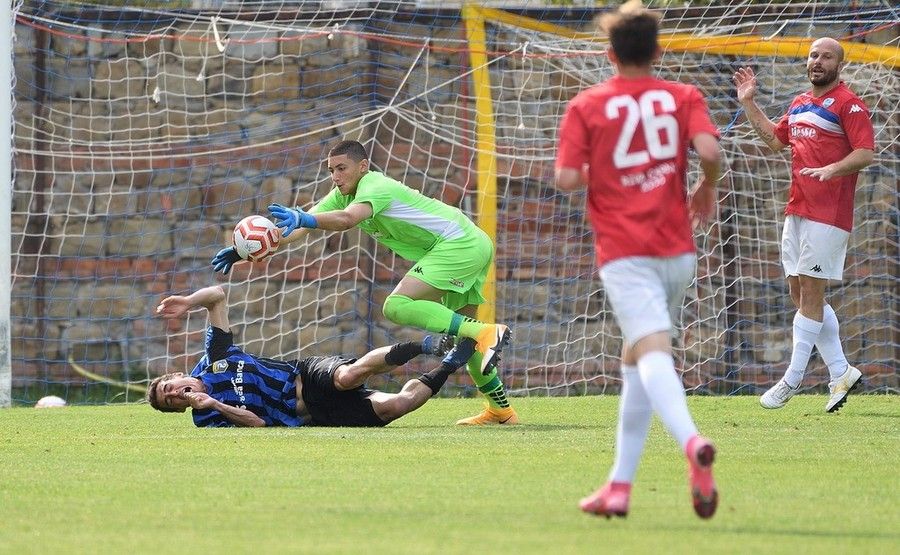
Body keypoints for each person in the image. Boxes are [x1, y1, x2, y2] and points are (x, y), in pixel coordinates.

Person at [212, 140, 518, 426]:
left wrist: (307, 219)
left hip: (459, 245)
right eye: (331, 170)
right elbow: (299, 228)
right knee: (466, 336)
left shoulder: (375, 184)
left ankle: (487, 332)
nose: (335, 176)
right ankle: (500, 409)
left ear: (363, 166)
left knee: (397, 306)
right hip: (469, 243)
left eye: (341, 168)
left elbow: (346, 219)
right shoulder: (343, 193)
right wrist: (244, 250)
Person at [554, 0, 720, 519]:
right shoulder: (682, 95)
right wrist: (705, 188)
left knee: (652, 355)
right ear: (657, 50)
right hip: (677, 250)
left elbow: (565, 178)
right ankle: (619, 487)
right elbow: (712, 155)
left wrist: (595, 174)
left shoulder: (587, 105)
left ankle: (692, 443)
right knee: (635, 364)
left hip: (626, 253)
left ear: (609, 53)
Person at [733, 37, 875, 413]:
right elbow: (774, 142)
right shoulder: (799, 104)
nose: (818, 61)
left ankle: (792, 379)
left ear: (839, 65)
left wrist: (833, 168)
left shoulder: (849, 104)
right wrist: (749, 103)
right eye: (814, 55)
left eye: (827, 56)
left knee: (810, 295)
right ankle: (841, 371)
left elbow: (865, 152)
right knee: (800, 296)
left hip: (829, 215)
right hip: (796, 210)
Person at [147, 284, 473, 428]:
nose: (176, 394)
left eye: (170, 388)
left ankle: (427, 346)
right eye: (172, 402)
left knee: (347, 377)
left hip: (306, 375)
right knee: (397, 407)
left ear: (177, 376)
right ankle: (452, 362)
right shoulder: (206, 417)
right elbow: (257, 424)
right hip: (314, 415)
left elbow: (217, 296)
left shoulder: (214, 356)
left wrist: (189, 302)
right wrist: (216, 404)